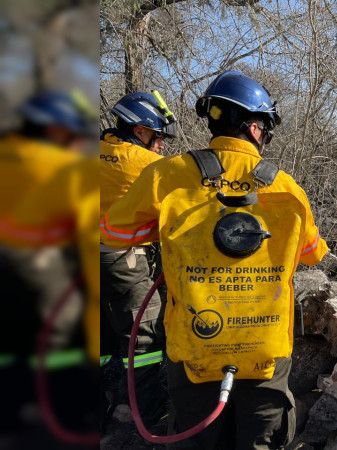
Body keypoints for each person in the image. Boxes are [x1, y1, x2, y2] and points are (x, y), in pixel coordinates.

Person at [102, 71, 328, 449]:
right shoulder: (285, 187)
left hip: (195, 344)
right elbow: (312, 253)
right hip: (265, 348)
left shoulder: (167, 174)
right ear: (256, 129)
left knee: (198, 437)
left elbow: (115, 233)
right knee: (262, 438)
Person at [0, 90, 97, 442]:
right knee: (64, 329)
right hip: (40, 265)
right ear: (54, 130)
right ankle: (64, 408)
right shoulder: (60, 167)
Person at [99, 91, 177, 429]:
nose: (160, 145)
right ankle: (152, 417)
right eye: (157, 137)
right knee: (142, 340)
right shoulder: (149, 166)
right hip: (123, 263)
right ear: (141, 130)